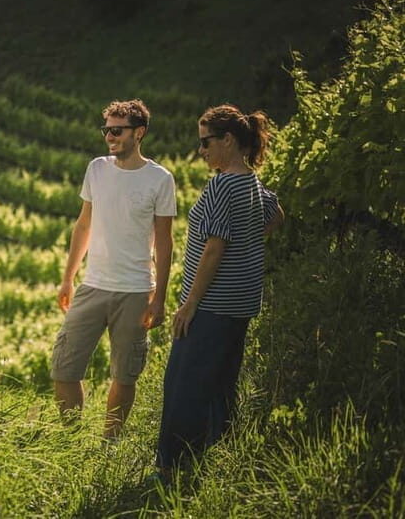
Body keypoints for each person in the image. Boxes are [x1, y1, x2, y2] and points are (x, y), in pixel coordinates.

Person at [154, 104, 284, 476]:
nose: (201, 150)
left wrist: (189, 304)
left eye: (206, 141)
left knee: (185, 383)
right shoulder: (253, 183)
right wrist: (249, 243)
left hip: (211, 304)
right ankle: (215, 454)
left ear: (228, 140)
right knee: (220, 382)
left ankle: (173, 465)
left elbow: (214, 247)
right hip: (239, 303)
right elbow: (277, 217)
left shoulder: (224, 183)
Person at [51, 99, 177, 440]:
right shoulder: (97, 169)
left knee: (125, 375)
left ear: (139, 133)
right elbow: (83, 225)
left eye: (117, 130)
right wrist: (68, 278)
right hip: (92, 286)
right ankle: (71, 440)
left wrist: (159, 297)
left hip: (136, 291)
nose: (109, 136)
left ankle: (109, 444)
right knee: (63, 367)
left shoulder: (160, 179)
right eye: (106, 129)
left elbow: (165, 242)